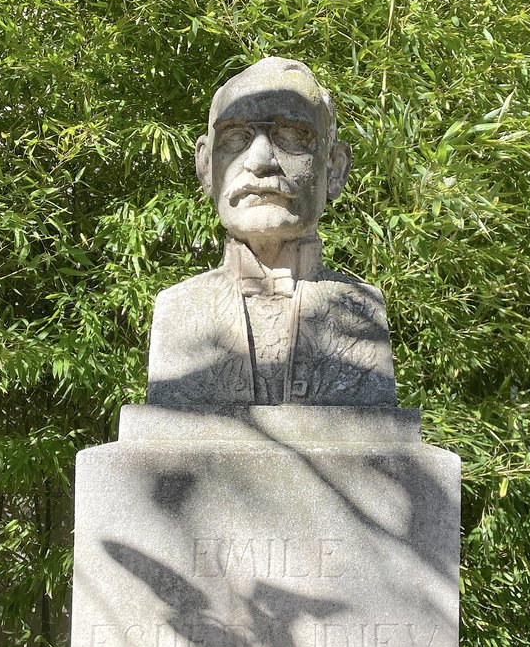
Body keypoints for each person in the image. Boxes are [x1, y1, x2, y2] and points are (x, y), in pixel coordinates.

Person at [146, 57, 396, 406]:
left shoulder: (362, 309)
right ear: (205, 167)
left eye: (293, 135)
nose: (260, 160)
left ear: (335, 168)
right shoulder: (178, 309)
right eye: (236, 137)